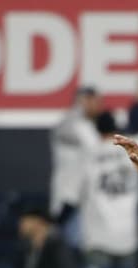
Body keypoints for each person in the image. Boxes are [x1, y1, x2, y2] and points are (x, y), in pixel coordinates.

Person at [68, 112, 138, 268]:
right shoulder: (132, 152)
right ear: (116, 129)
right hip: (128, 237)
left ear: (97, 130)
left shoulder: (88, 154)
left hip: (98, 239)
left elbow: (73, 195)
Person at [50, 86, 102, 232]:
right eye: (93, 101)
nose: (98, 105)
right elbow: (66, 132)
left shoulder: (91, 126)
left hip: (86, 197)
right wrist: (80, 108)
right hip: (68, 197)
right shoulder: (70, 123)